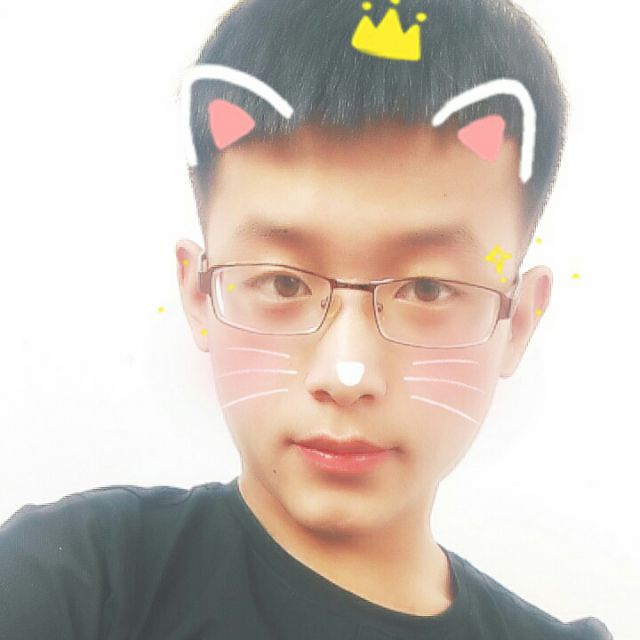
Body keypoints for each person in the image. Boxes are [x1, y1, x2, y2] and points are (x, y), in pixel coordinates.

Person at [0, 0, 614, 638]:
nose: (347, 374)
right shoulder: (73, 581)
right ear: (199, 295)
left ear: (519, 321)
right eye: (284, 282)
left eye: (428, 288)